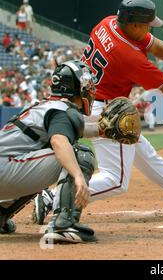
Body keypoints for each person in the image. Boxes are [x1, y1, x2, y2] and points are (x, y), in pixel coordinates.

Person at [32, 0, 163, 225]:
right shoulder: (127, 55)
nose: (149, 28)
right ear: (134, 24)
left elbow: (156, 45)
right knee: (116, 180)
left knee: (148, 157)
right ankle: (52, 198)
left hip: (97, 100)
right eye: (146, 24)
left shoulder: (108, 23)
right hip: (106, 109)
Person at [0, 60, 97, 244]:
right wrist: (77, 175)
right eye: (87, 85)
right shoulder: (62, 110)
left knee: (53, 154)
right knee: (78, 154)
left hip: (6, 166)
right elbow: (58, 140)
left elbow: (68, 130)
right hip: (5, 170)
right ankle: (63, 225)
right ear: (76, 87)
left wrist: (104, 129)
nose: (90, 89)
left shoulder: (46, 106)